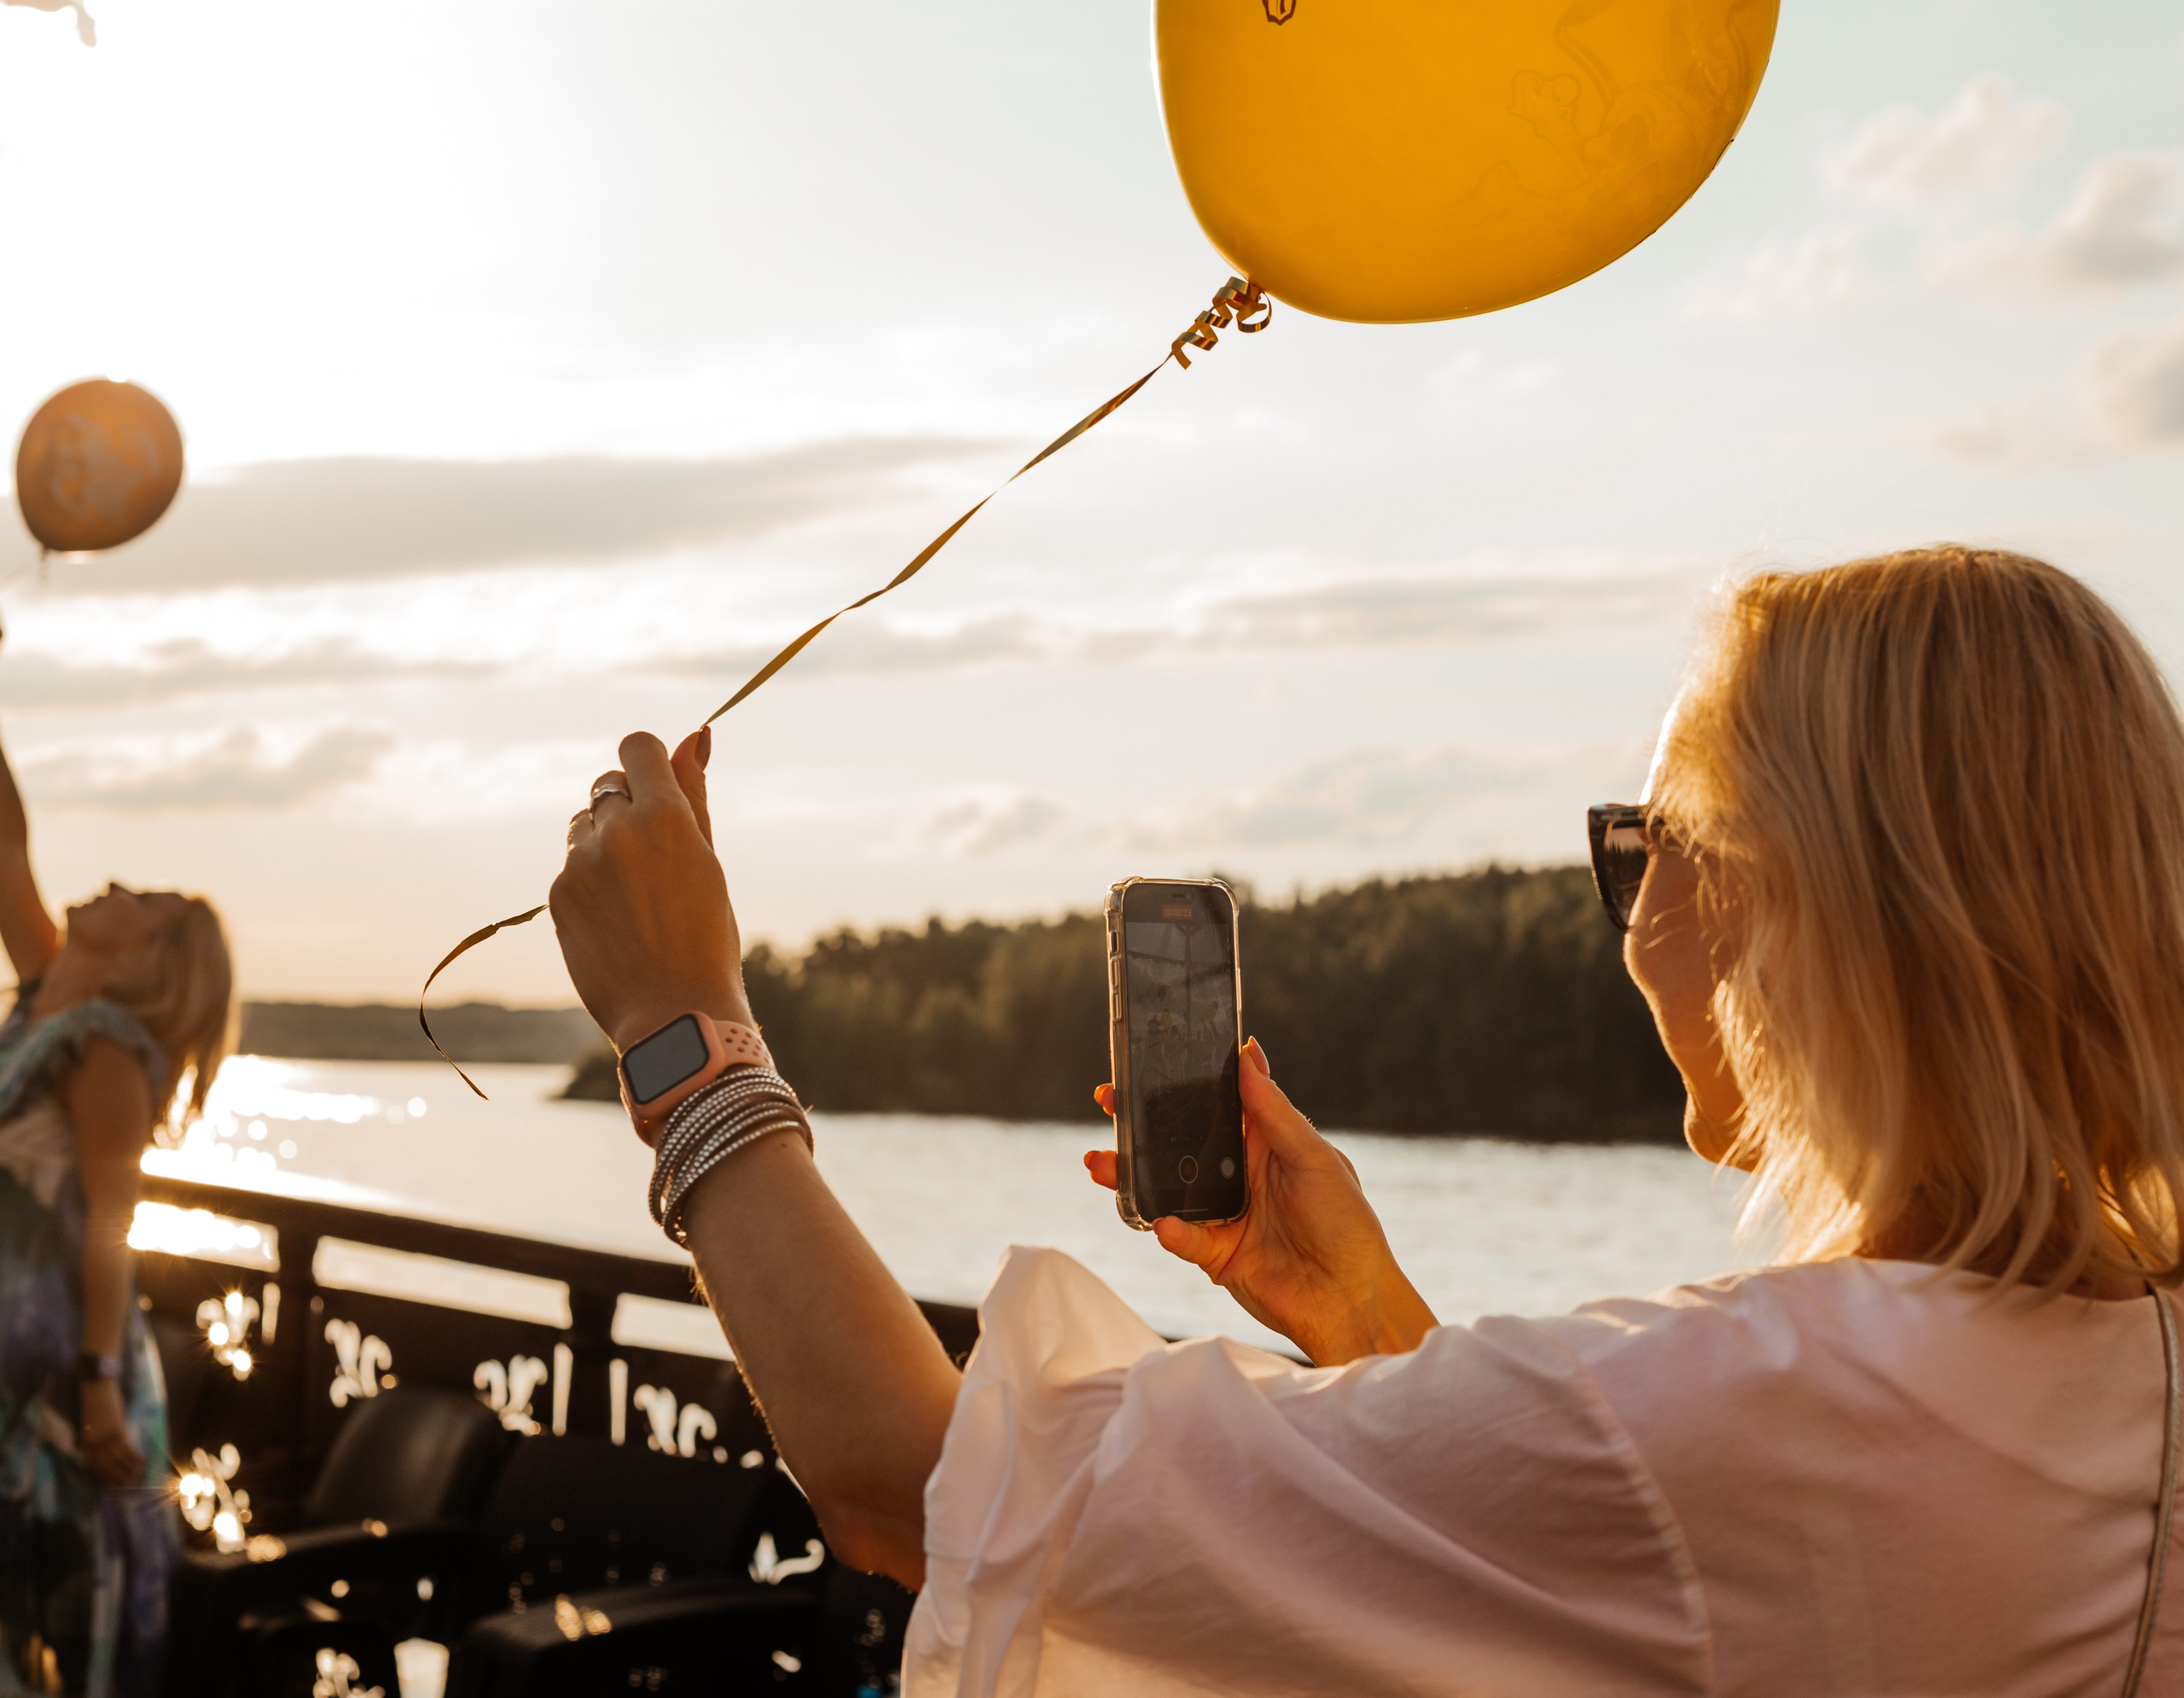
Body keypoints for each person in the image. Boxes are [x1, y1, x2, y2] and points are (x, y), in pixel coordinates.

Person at [549, 546, 2183, 1695]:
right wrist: (1377, 1334)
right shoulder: (2130, 1356)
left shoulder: (1745, 1417)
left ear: (1791, 912)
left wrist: (686, 1037)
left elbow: (921, 1488)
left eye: (1645, 845)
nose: (1630, 919)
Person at [0, 721, 234, 1696]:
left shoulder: (104, 1046)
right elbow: (6, 842)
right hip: (20, 1356)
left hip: (61, 1372)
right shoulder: (45, 1001)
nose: (112, 884)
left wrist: (98, 1380)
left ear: (151, 956)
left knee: (44, 1621)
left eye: (140, 897)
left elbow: (112, 1226)